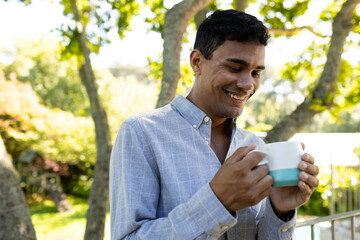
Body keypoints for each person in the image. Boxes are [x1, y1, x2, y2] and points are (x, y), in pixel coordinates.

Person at [110, 9, 319, 240]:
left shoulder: (253, 145)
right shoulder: (141, 133)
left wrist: (281, 210)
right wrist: (218, 200)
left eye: (256, 72)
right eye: (234, 68)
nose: (247, 84)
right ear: (197, 62)